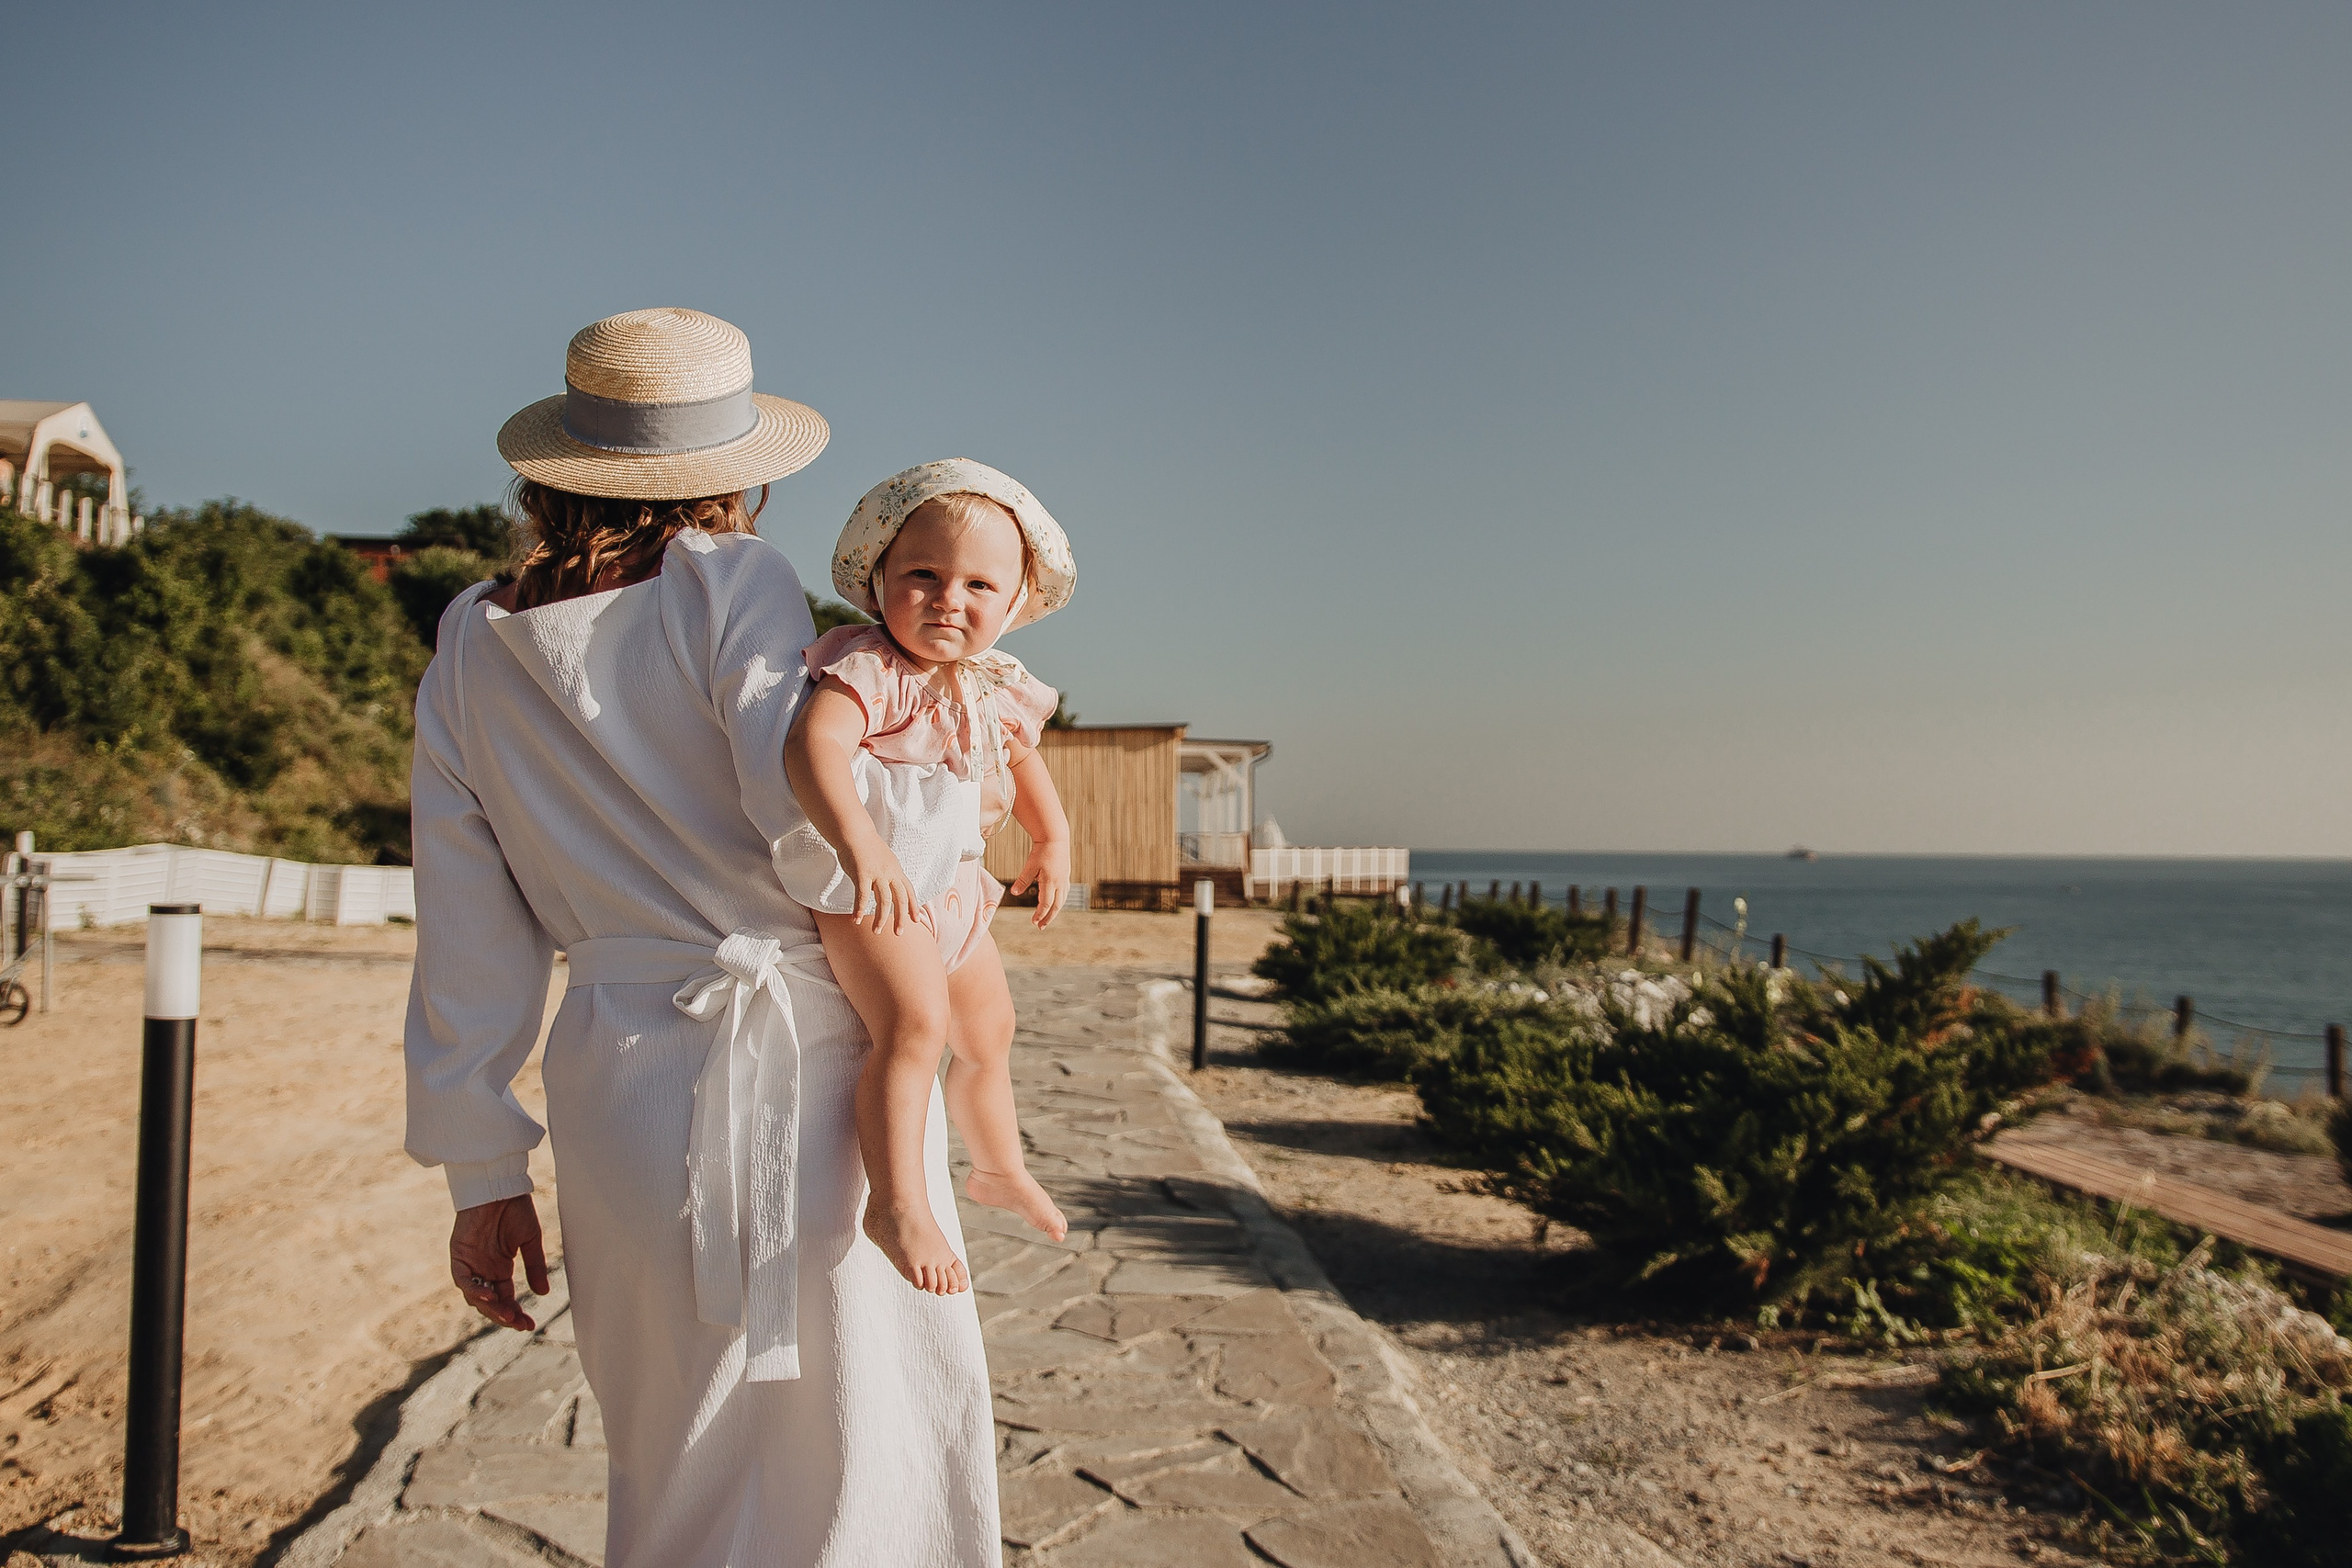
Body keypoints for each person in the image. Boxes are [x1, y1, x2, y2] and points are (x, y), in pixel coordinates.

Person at [402, 309, 999, 1567]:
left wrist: (481, 1170)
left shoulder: (468, 639)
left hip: (615, 1080)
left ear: (552, 469)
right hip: (803, 1059)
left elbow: (465, 924)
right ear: (739, 474)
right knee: (865, 1452)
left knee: (672, 1460)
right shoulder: (731, 578)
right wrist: (956, 836)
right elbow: (809, 831)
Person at [777, 461, 1076, 1294]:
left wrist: (1051, 837)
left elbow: (1022, 762)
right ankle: (897, 1202)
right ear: (878, 580)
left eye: (979, 584)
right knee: (913, 1026)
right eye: (923, 575)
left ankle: (999, 1166)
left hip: (957, 896)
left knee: (991, 1032)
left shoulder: (994, 684)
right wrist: (860, 844)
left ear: (1014, 603)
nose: (949, 599)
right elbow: (813, 746)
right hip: (883, 892)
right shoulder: (874, 668)